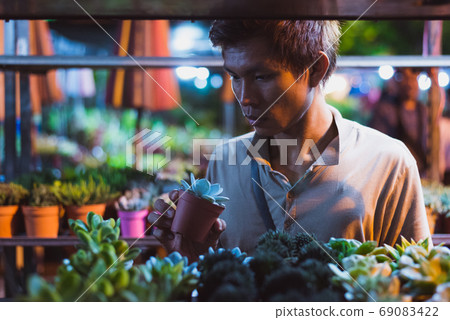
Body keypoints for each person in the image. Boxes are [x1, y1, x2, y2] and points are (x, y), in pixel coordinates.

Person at [149, 20, 430, 261]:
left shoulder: (387, 161)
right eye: (234, 76)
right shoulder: (224, 161)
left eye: (262, 76)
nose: (244, 97)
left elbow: (415, 286)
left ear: (316, 69)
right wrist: (194, 255)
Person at [369, 67, 428, 175]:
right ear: (397, 83)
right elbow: (376, 144)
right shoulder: (385, 110)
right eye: (405, 78)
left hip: (420, 172)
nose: (410, 84)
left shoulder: (423, 110)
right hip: (394, 171)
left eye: (414, 79)